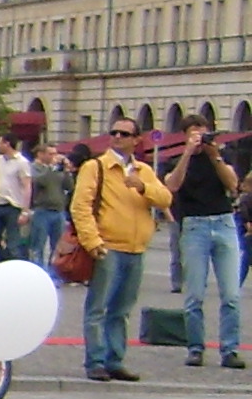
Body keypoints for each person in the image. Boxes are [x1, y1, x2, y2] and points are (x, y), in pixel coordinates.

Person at [74, 111, 176, 381]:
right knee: (98, 307)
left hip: (136, 248)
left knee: (121, 310)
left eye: (124, 134)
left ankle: (115, 360)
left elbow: (165, 198)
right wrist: (92, 241)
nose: (117, 137)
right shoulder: (96, 167)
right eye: (114, 133)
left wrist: (143, 187)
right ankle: (95, 361)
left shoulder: (144, 170)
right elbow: (80, 206)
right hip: (108, 246)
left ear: (136, 140)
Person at [166, 111, 244, 369]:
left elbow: (233, 184)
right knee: (195, 295)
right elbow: (172, 185)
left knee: (231, 294)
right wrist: (188, 152)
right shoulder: (178, 160)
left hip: (223, 222)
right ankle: (195, 348)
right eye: (194, 133)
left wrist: (215, 155)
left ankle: (230, 349)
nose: (200, 138)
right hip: (194, 226)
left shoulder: (219, 157)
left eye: (203, 132)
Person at [26, 142, 74, 273]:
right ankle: (38, 271)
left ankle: (54, 273)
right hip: (42, 210)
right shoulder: (34, 168)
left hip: (58, 211)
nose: (54, 156)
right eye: (51, 154)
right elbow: (40, 181)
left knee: (57, 246)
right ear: (41, 154)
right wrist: (51, 168)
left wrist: (67, 171)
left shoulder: (58, 170)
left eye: (55, 153)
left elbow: (69, 186)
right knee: (38, 244)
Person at [0, 133, 33, 264]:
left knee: (13, 244)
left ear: (7, 144)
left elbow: (27, 186)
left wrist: (25, 210)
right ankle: (3, 262)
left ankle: (14, 265)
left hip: (14, 206)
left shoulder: (22, 162)